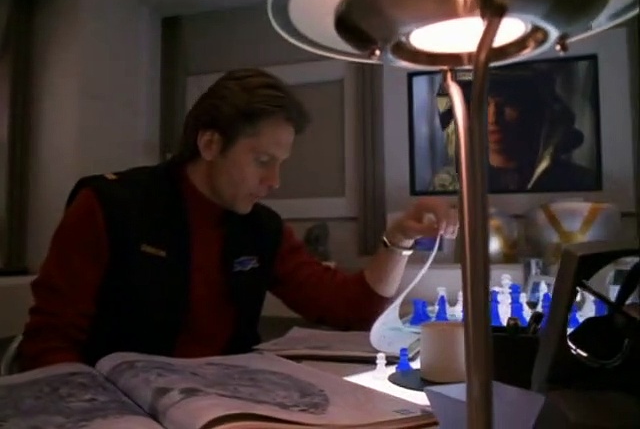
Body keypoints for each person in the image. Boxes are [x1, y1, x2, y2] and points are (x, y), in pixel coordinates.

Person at [18, 68, 458, 371]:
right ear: (210, 144)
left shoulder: (261, 229)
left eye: (281, 163)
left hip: (222, 404)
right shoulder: (108, 205)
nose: (275, 181)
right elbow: (49, 344)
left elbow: (350, 309)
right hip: (120, 405)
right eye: (263, 161)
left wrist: (399, 240)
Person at [430, 68, 596, 193]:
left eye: (508, 103)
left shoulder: (579, 182)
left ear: (532, 109)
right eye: (483, 105)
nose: (493, 118)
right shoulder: (447, 185)